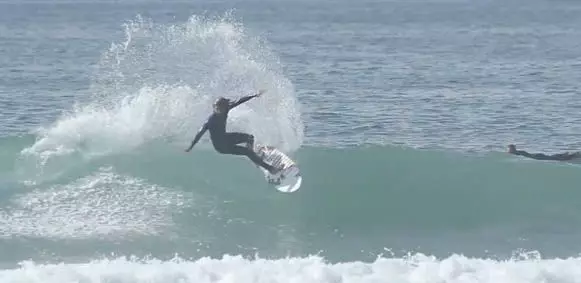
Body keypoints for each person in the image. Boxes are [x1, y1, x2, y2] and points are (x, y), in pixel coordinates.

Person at [185, 89, 281, 175]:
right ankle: (271, 169)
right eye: (215, 108)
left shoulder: (226, 109)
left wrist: (255, 95)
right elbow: (199, 133)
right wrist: (191, 147)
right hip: (221, 147)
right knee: (247, 152)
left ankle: (254, 158)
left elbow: (240, 100)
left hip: (225, 138)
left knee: (249, 138)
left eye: (219, 108)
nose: (217, 110)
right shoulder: (211, 121)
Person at [507, 144, 581, 161]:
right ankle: (566, 155)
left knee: (555, 159)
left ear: (513, 149)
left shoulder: (517, 153)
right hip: (538, 156)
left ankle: (573, 155)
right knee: (552, 157)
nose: (509, 150)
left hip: (538, 157)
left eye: (510, 149)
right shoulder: (520, 151)